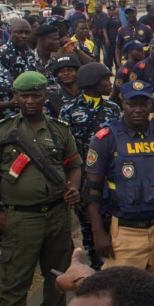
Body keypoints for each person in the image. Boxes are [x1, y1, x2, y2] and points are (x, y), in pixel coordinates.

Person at [0, 71, 81, 306]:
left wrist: (74, 186)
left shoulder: (60, 130)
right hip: (21, 217)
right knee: (15, 281)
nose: (30, 101)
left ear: (44, 97)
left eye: (36, 95)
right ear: (16, 98)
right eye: (24, 96)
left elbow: (74, 165)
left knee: (57, 277)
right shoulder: (1, 132)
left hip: (57, 214)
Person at [85, 80, 154, 286]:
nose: (138, 110)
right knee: (124, 296)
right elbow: (92, 190)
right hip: (124, 231)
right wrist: (98, 233)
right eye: (132, 104)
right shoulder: (105, 139)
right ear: (123, 103)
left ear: (151, 105)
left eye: (144, 104)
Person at [60, 62, 120, 269]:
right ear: (93, 83)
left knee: (111, 221)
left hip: (110, 176)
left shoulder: (113, 108)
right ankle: (96, 267)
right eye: (105, 80)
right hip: (83, 177)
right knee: (88, 224)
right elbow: (64, 148)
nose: (110, 84)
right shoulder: (69, 111)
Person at [46, 54, 81, 119]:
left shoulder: (86, 93)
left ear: (77, 72)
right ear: (57, 74)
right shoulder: (52, 98)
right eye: (61, 71)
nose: (66, 73)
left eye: (70, 70)